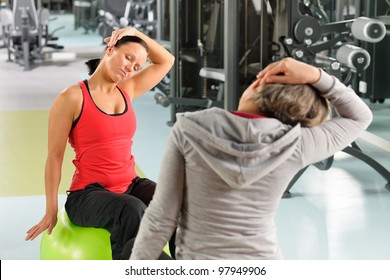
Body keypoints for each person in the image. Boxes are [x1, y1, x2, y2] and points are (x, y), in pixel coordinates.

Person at [129, 57, 373, 260]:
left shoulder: (189, 129)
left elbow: (161, 217)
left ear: (258, 86)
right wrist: (316, 76)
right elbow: (360, 117)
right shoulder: (297, 143)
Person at [25, 27, 175, 260]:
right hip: (87, 195)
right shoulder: (72, 97)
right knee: (132, 210)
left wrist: (135, 32)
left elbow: (166, 60)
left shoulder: (127, 90)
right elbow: (54, 156)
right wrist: (51, 208)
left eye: (137, 67)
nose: (130, 68)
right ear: (111, 48)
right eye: (128, 58)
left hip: (130, 184)